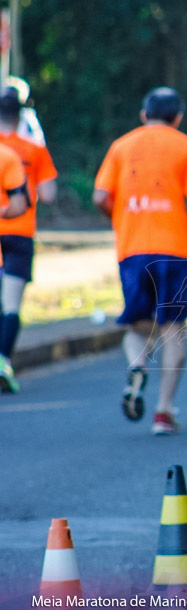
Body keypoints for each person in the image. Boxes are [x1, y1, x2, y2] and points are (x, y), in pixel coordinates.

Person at [93, 87, 187, 435]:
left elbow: (100, 196)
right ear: (177, 117)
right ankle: (162, 412)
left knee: (136, 324)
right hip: (174, 250)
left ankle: (138, 365)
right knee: (173, 329)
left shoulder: (121, 147)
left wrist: (120, 219)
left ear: (144, 114)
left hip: (132, 250)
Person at [0, 88, 57, 393]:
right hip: (20, 231)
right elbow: (47, 194)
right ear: (20, 115)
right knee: (11, 304)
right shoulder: (33, 149)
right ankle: (3, 361)